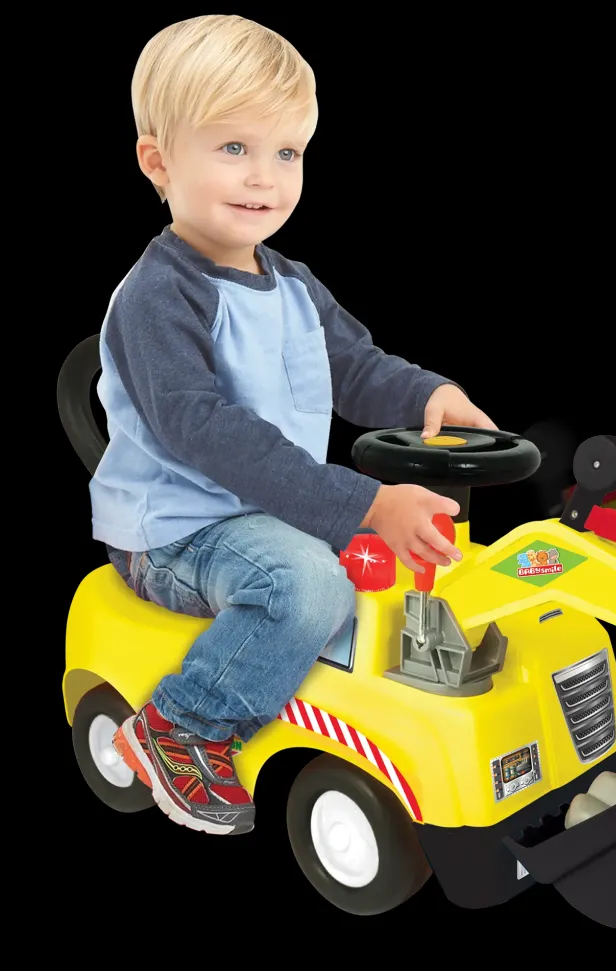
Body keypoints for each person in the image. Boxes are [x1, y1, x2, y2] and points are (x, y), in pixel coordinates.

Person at [93, 14, 497, 836]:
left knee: (425, 562)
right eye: (233, 147)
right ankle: (183, 724)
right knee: (310, 584)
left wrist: (429, 395)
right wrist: (365, 503)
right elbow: (206, 431)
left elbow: (356, 365)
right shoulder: (158, 296)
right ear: (158, 161)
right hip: (178, 531)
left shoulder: (293, 283)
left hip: (266, 511)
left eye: (287, 152)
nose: (264, 177)